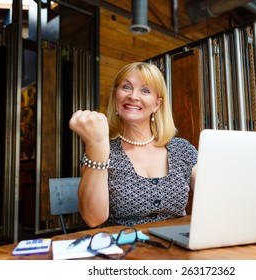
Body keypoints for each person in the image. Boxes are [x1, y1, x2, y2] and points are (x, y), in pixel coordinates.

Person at [69, 62, 197, 228]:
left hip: (175, 249)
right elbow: (93, 219)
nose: (133, 96)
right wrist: (97, 146)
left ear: (157, 104)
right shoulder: (103, 151)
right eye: (126, 87)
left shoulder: (182, 150)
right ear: (116, 97)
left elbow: (215, 198)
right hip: (124, 249)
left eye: (145, 90)